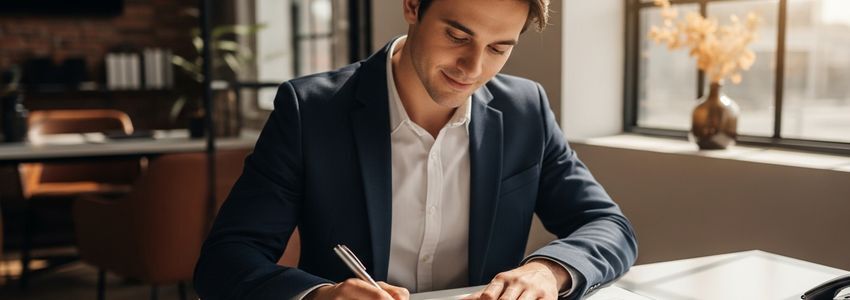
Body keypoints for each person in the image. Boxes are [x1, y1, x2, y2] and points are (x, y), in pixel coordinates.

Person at [194, 0, 637, 299]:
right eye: (458, 36)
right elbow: (226, 260)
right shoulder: (311, 111)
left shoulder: (525, 109)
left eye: (499, 48)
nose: (474, 67)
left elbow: (607, 225)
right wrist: (321, 295)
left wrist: (549, 269)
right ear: (411, 5)